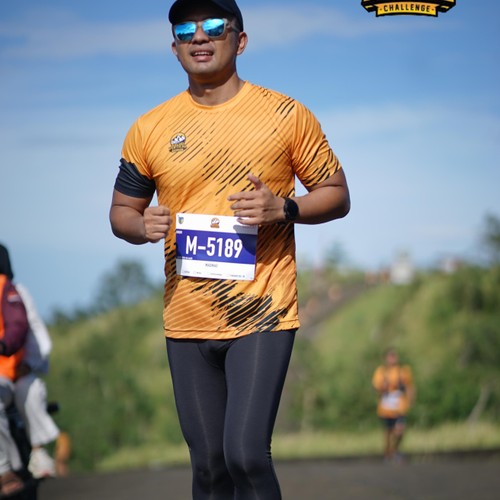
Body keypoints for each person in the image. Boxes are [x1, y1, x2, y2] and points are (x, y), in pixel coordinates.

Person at [109, 0, 350, 498]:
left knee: (245, 455)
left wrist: (283, 208)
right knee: (209, 468)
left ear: (240, 41)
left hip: (262, 311)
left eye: (214, 26)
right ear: (174, 48)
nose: (200, 36)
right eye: (186, 29)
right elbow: (121, 212)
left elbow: (337, 194)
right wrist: (140, 225)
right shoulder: (149, 127)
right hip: (186, 316)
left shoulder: (286, 115)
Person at [0, 244, 62, 480]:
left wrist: (29, 363)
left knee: (30, 389)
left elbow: (29, 332)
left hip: (17, 371)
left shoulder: (13, 293)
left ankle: (31, 454)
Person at [0, 245, 29, 496]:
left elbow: (17, 326)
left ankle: (4, 469)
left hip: (4, 374)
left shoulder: (4, 288)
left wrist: (3, 344)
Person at [372, 348, 415, 462]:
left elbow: (409, 386)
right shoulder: (381, 372)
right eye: (390, 356)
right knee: (388, 432)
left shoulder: (403, 371)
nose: (392, 359)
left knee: (400, 429)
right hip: (386, 407)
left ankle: (395, 450)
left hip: (399, 406)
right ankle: (388, 452)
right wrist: (384, 386)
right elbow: (376, 387)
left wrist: (410, 400)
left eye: (394, 356)